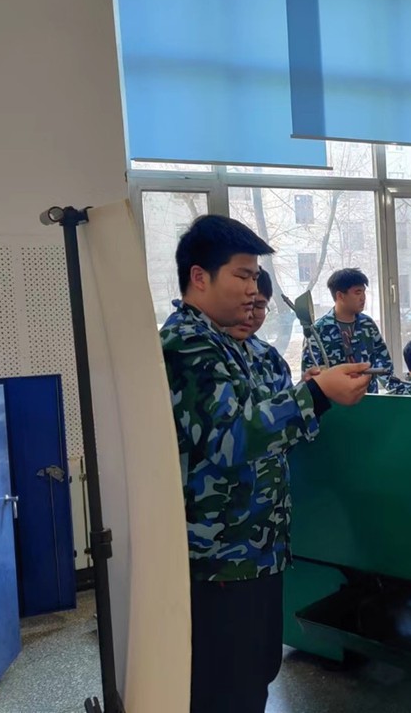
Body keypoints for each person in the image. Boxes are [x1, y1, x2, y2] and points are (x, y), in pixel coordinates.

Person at [160, 215, 372, 713]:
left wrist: (312, 392)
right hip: (218, 557)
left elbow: (274, 432)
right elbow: (231, 439)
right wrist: (316, 395)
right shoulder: (187, 346)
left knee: (256, 672)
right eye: (242, 276)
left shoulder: (240, 348)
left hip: (259, 548)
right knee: (223, 685)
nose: (253, 289)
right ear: (199, 277)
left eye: (256, 277)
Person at [302, 267, 394, 393]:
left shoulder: (367, 325)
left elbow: (384, 363)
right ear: (340, 296)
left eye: (364, 292)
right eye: (357, 293)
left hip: (368, 398)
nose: (363, 298)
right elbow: (310, 374)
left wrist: (397, 393)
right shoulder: (318, 330)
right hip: (334, 400)